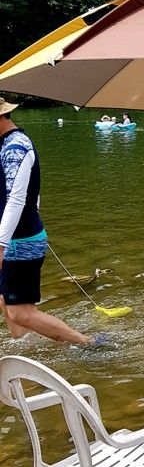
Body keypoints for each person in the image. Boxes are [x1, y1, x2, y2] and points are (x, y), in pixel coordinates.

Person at [0, 99, 99, 345]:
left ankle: (88, 343)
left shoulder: (16, 146)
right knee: (7, 302)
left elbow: (17, 198)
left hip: (19, 241)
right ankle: (26, 348)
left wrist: (0, 245)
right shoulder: (4, 144)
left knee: (20, 312)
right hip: (13, 237)